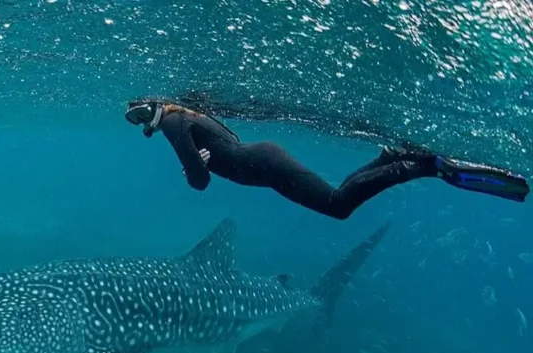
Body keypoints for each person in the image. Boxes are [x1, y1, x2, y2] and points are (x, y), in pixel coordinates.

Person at [124, 100, 529, 219]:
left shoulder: (173, 125)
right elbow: (215, 156)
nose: (142, 122)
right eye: (136, 118)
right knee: (337, 198)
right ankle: (390, 158)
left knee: (338, 207)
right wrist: (201, 161)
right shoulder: (188, 116)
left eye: (140, 113)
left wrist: (191, 166)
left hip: (264, 166)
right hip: (264, 164)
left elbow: (200, 182)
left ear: (155, 106)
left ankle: (422, 166)